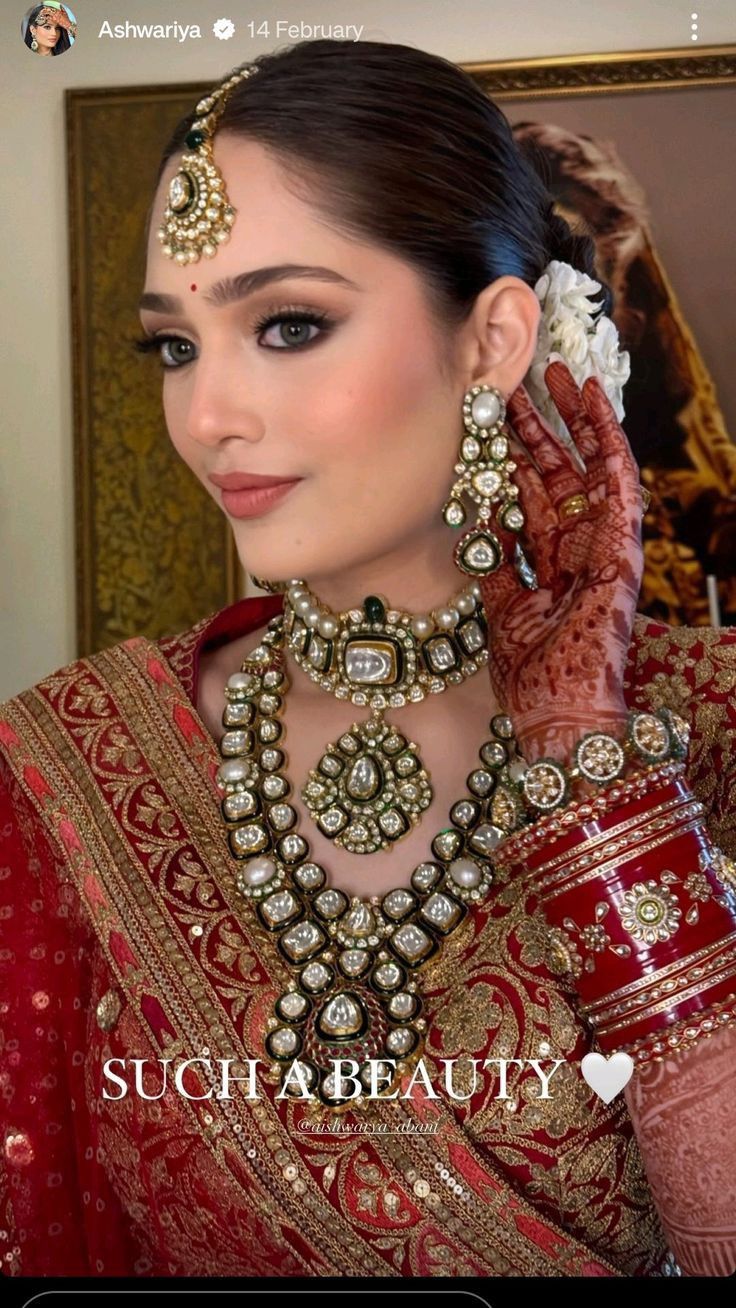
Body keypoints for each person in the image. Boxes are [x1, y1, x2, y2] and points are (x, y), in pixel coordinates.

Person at [1, 39, 735, 1281]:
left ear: (492, 340)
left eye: (287, 324)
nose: (207, 416)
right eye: (174, 345)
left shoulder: (707, 724)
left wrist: (583, 764)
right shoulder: (70, 762)